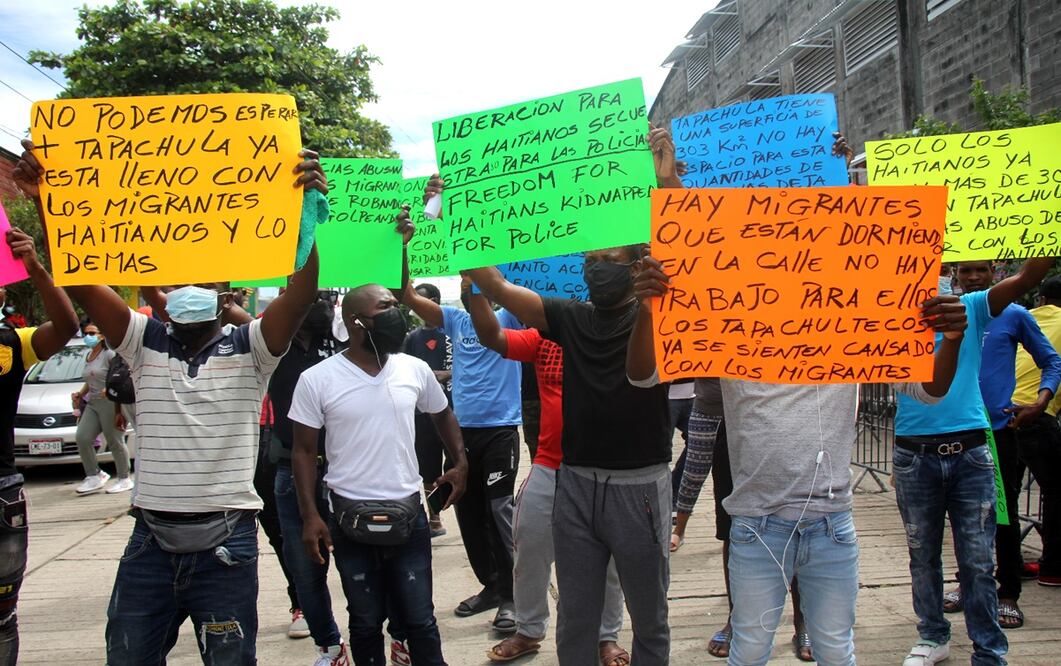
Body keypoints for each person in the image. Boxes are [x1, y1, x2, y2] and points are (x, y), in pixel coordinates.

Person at [14, 138, 328, 664]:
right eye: (179, 277)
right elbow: (84, 282)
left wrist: (302, 221)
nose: (189, 286)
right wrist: (51, 201)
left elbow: (302, 292)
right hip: (149, 544)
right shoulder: (140, 341)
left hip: (227, 545)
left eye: (202, 278)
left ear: (225, 292)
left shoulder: (253, 347)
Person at [628, 249, 969, 666]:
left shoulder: (853, 334)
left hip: (832, 527)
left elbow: (929, 390)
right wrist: (648, 310)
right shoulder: (729, 333)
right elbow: (642, 374)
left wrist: (951, 340)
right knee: (750, 648)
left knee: (836, 649)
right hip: (756, 527)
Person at [289, 284, 468, 666]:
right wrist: (310, 516)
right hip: (348, 518)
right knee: (365, 621)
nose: (396, 314)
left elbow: (442, 414)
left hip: (409, 515)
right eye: (385, 307)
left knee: (420, 619)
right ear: (356, 321)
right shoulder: (318, 379)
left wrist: (459, 461)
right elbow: (303, 451)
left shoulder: (413, 369)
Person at [892, 255, 1056, 666]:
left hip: (970, 450)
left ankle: (989, 649)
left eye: (943, 272)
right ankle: (933, 636)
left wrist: (1041, 218)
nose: (939, 280)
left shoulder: (974, 306)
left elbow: (1029, 276)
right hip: (914, 453)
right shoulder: (888, 320)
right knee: (922, 555)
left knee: (979, 560)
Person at [460, 278, 628, 666]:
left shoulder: (619, 334)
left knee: (610, 563)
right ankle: (529, 629)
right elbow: (492, 337)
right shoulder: (543, 340)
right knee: (529, 548)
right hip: (550, 465)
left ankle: (606, 637)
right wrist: (475, 291)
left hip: (609, 468)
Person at [401, 236, 522, 633]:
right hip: (462, 433)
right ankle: (490, 586)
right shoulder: (454, 320)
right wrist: (402, 248)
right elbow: (405, 294)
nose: (466, 280)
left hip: (501, 431)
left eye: (474, 276)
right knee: (468, 515)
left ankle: (512, 597)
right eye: (463, 276)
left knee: (499, 512)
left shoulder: (510, 319)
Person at [939, 262, 1061, 629]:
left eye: (980, 271)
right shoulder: (950, 314)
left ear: (993, 272)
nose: (973, 277)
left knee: (1002, 515)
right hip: (954, 430)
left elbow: (1051, 361)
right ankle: (968, 583)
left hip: (998, 431)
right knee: (961, 516)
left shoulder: (1014, 314)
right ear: (956, 274)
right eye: (966, 271)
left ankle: (1007, 592)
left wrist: (1041, 401)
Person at [0, 227, 78, 664]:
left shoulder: (9, 345)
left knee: (1, 616)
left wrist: (35, 268)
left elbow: (66, 326)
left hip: (1, 494)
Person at [1009, 276, 1061, 587]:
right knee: (1056, 493)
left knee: (1007, 496)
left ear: (1040, 299)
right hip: (1037, 414)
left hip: (1005, 413)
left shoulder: (1023, 318)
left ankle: (1010, 563)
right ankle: (1054, 567)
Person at [401, 282, 453, 537]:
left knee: (455, 462)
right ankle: (435, 517)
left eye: (419, 300)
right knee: (428, 469)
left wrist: (446, 374)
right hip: (423, 414)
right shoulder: (411, 339)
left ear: (433, 300)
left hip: (454, 411)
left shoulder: (453, 333)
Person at [70, 318, 134, 495]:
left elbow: (119, 374)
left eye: (92, 333)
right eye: (86, 333)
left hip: (111, 402)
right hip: (93, 402)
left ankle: (124, 478)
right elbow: (90, 380)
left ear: (102, 335)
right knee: (83, 437)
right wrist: (80, 394)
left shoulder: (110, 354)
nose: (88, 337)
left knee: (114, 440)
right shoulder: (89, 355)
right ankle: (94, 475)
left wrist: (110, 389)